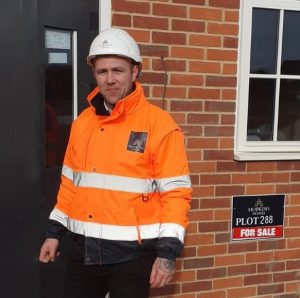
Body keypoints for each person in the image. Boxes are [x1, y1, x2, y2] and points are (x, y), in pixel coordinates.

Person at [39, 27, 192, 298]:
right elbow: (69, 185)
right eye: (102, 71)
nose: (109, 79)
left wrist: (167, 255)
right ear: (95, 75)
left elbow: (176, 195)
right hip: (82, 254)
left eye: (117, 71)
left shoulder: (160, 125)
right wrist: (54, 233)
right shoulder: (82, 123)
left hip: (132, 258)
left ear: (134, 72)